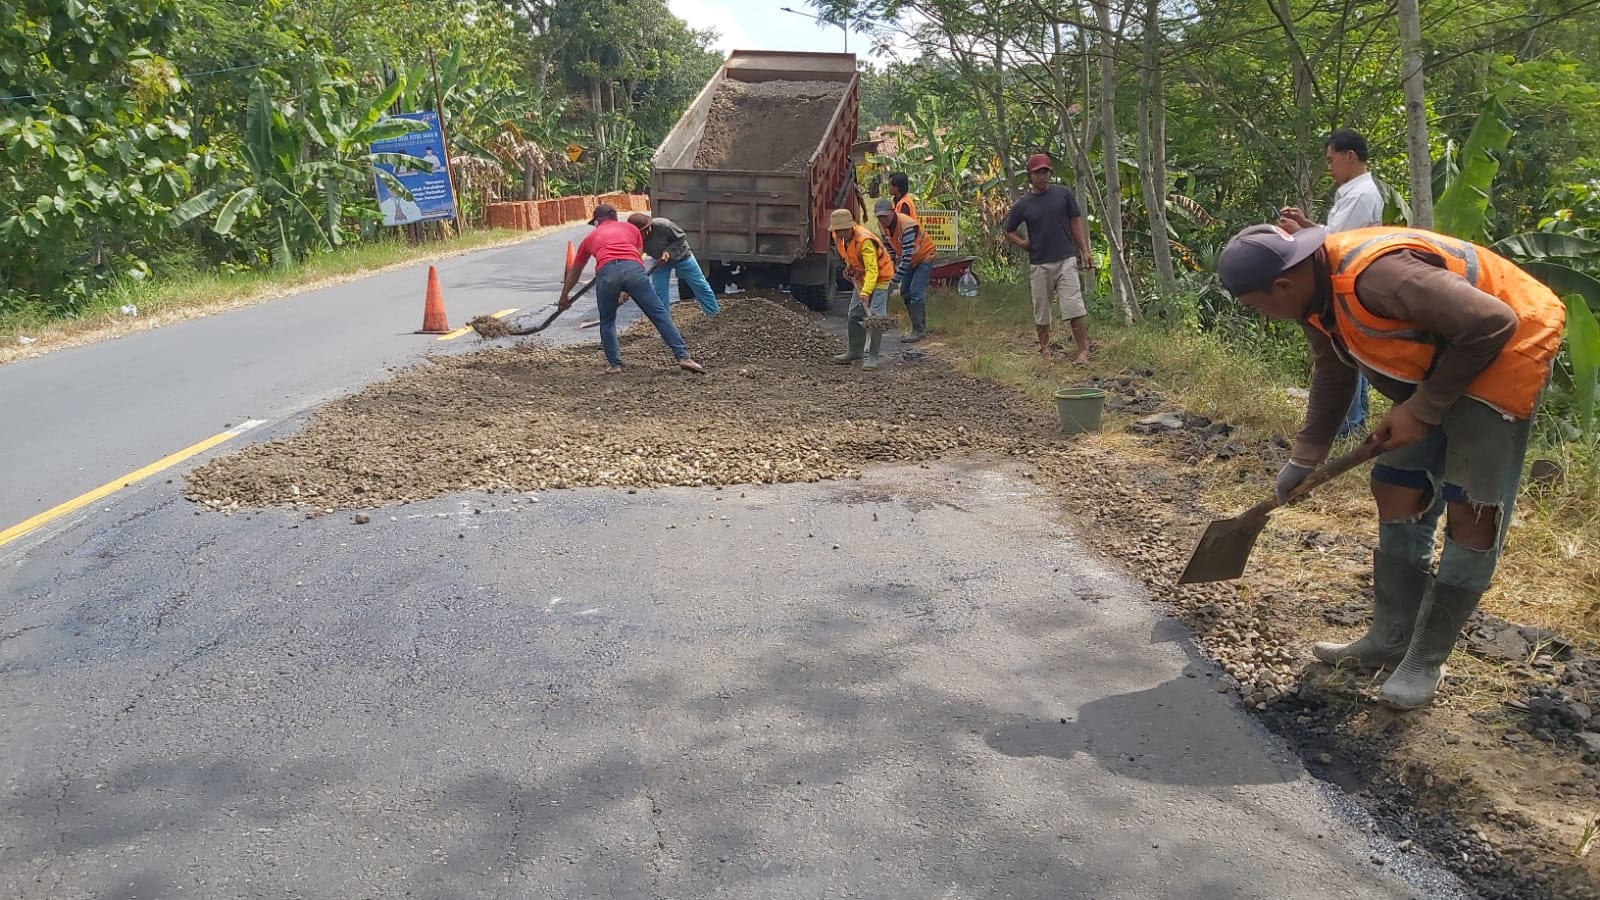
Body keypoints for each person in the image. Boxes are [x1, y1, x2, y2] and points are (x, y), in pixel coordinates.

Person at [1216, 223, 1564, 709]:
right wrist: (1305, 456)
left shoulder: (1378, 278)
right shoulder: (1310, 295)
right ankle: (1391, 636)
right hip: (1439, 363)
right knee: (1396, 485)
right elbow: (1332, 369)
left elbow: (1491, 322)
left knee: (1472, 512)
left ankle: (1426, 659)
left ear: (1282, 285)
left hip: (1505, 349)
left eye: (1257, 306)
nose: (1263, 316)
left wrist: (1422, 410)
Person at [1279, 129, 1386, 437]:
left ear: (1349, 156)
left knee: (1345, 353)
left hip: (1350, 279)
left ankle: (1349, 423)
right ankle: (1353, 420)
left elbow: (1337, 243)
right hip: (1347, 279)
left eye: (1331, 160)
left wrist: (1299, 234)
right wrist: (1304, 224)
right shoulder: (1353, 192)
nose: (1329, 167)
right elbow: (1333, 231)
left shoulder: (1362, 195)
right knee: (1351, 352)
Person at [559, 204, 705, 375]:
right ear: (615, 218)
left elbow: (575, 271)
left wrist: (564, 296)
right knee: (658, 314)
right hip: (633, 270)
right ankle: (683, 357)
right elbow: (637, 256)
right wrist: (627, 288)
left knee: (607, 320)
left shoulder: (589, 238)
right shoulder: (631, 229)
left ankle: (615, 364)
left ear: (597, 221)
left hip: (607, 274)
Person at [1002, 153, 1094, 366]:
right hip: (1040, 263)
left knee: (1074, 307)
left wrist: (1084, 250)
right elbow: (1008, 230)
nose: (1042, 176)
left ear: (1050, 173)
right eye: (1037, 173)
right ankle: (1045, 352)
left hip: (1065, 259)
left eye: (1045, 172)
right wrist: (1024, 244)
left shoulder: (1063, 195)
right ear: (1030, 176)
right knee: (1041, 310)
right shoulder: (1023, 204)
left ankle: (1082, 351)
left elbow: (1076, 221)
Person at [828, 208, 893, 371]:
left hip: (880, 277)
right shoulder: (838, 237)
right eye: (838, 230)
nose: (840, 233)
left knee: (876, 317)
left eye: (843, 230)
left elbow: (873, 270)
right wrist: (850, 268)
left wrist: (865, 293)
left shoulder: (865, 241)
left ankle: (873, 357)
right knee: (855, 314)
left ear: (850, 227)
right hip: (862, 276)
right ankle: (855, 351)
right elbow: (850, 256)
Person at [627, 213, 719, 317]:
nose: (644, 234)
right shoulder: (633, 238)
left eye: (645, 230)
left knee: (700, 284)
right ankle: (664, 321)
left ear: (649, 226)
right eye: (639, 233)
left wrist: (668, 252)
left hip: (682, 256)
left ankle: (713, 314)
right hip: (659, 262)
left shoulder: (664, 225)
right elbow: (635, 257)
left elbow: (681, 237)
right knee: (659, 290)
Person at [874, 197, 936, 342]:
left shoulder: (906, 225)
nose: (883, 219)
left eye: (885, 216)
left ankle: (919, 331)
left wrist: (894, 281)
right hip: (910, 259)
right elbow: (889, 249)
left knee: (916, 291)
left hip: (924, 256)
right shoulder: (882, 226)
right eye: (879, 217)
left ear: (892, 212)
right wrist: (889, 270)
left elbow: (907, 256)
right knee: (905, 292)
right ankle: (918, 326)